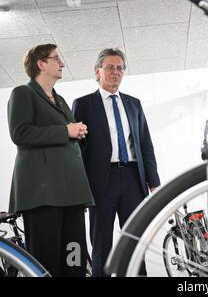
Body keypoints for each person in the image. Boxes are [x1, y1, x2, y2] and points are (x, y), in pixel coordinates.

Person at [7, 43, 94, 276]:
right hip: (42, 194)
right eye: (56, 59)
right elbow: (20, 133)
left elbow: (67, 133)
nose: (62, 63)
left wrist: (78, 132)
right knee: (46, 262)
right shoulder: (23, 94)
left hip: (71, 194)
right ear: (41, 64)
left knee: (74, 257)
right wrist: (66, 131)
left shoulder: (61, 99)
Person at [72, 48, 160, 277]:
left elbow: (145, 144)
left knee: (136, 240)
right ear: (97, 71)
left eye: (120, 68)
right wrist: (80, 189)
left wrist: (154, 182)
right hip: (101, 181)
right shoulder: (83, 104)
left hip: (133, 179)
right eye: (110, 67)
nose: (116, 72)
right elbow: (78, 150)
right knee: (101, 243)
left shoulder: (134, 104)